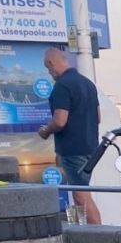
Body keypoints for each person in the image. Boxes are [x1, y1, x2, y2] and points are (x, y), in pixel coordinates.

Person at [38, 47, 101, 224]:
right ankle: (84, 231)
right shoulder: (88, 83)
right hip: (91, 147)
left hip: (73, 149)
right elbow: (98, 117)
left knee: (81, 195)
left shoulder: (62, 85)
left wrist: (45, 131)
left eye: (47, 68)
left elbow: (59, 121)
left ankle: (100, 236)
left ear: (51, 63)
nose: (49, 73)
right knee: (81, 192)